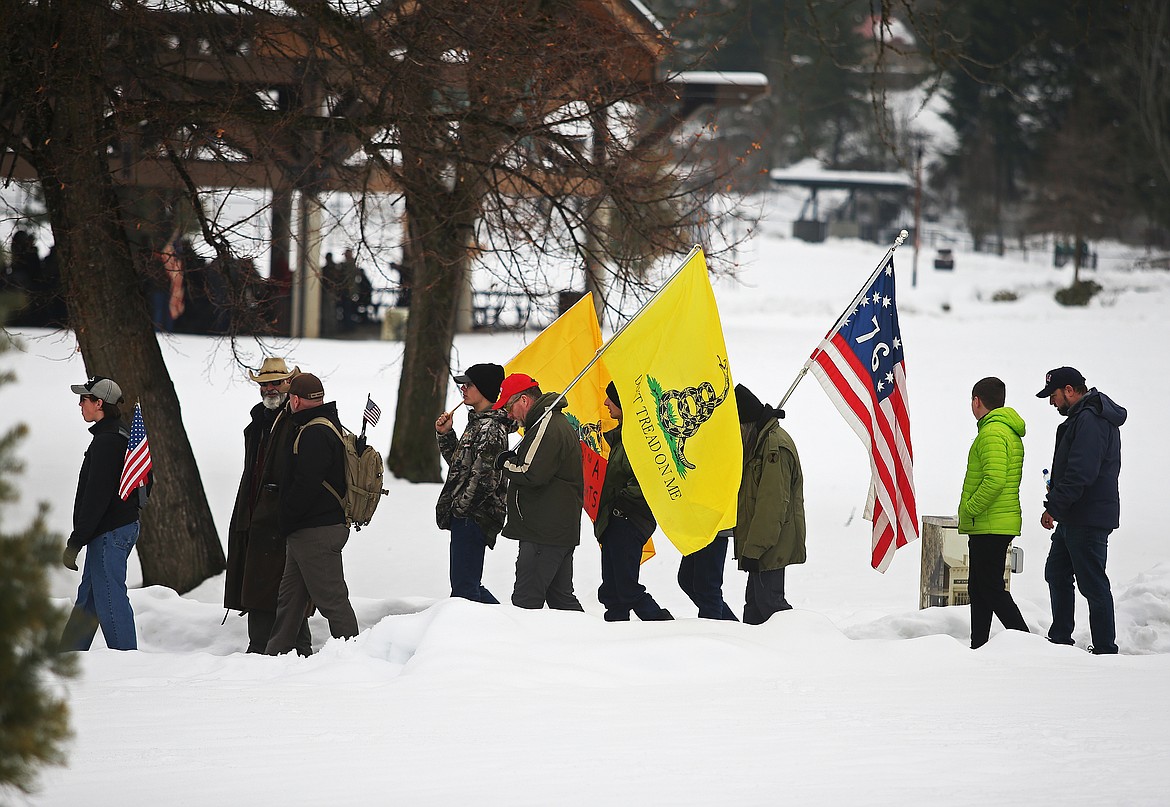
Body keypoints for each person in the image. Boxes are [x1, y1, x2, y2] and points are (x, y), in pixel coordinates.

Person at [265, 373, 359, 654]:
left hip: (316, 529)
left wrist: (286, 517)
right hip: (309, 529)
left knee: (331, 599)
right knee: (290, 598)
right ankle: (276, 654)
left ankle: (352, 656)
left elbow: (307, 485)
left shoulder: (315, 432)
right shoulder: (324, 424)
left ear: (294, 399)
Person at [224, 357, 312, 655]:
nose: (269, 388)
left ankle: (298, 649)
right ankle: (260, 646)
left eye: (276, 382)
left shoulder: (298, 421)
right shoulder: (259, 421)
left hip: (284, 519)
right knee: (257, 584)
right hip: (255, 516)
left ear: (289, 384)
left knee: (288, 588)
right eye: (264, 383)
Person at [1037, 367, 1126, 655]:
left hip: (1087, 516)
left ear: (1070, 390)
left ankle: (1104, 648)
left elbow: (1082, 473)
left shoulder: (1090, 419)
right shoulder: (1082, 418)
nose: (1052, 402)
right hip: (1075, 514)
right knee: (1056, 572)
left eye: (1053, 395)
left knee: (1092, 582)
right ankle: (1061, 638)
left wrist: (1054, 506)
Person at [59, 376, 144, 651]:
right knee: (91, 597)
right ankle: (67, 657)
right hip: (112, 530)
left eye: (84, 399)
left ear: (99, 403)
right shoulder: (118, 436)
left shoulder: (108, 441)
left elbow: (96, 497)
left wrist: (76, 541)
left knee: (110, 597)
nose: (80, 404)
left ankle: (127, 660)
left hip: (109, 533)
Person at [494, 373, 585, 611]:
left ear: (524, 400)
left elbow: (529, 471)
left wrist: (504, 463)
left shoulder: (547, 425)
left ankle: (520, 648)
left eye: (509, 406)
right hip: (554, 529)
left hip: (543, 532)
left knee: (525, 602)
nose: (509, 414)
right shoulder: (547, 423)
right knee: (561, 600)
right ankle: (590, 643)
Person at [958, 376, 1030, 649]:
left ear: (977, 401)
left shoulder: (992, 433)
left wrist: (970, 508)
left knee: (990, 589)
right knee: (979, 588)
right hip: (993, 522)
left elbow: (995, 480)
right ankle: (979, 644)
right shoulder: (1004, 431)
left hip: (990, 523)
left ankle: (1025, 642)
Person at [594, 381, 672, 621]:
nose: (606, 403)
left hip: (627, 519)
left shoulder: (639, 438)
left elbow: (646, 478)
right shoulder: (623, 435)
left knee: (626, 587)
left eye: (611, 399)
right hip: (614, 519)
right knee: (613, 590)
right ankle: (617, 635)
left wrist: (621, 502)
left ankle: (663, 624)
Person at [435, 363, 510, 604]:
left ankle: (496, 631)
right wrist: (446, 434)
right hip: (467, 515)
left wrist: (461, 508)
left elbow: (485, 479)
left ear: (485, 390)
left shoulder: (491, 428)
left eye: (469, 385)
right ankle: (503, 623)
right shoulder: (477, 422)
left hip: (475, 516)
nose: (463, 389)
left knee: (464, 592)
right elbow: (461, 467)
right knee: (467, 585)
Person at [732, 384, 806, 625]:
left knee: (771, 607)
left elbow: (771, 506)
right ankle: (756, 658)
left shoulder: (773, 447)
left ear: (747, 424)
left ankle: (805, 647)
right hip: (762, 543)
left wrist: (754, 549)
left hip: (770, 545)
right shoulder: (760, 443)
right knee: (754, 607)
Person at [678, 528, 737, 620]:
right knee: (687, 580)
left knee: (707, 587)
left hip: (712, 528)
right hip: (697, 529)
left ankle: (712, 630)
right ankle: (730, 625)